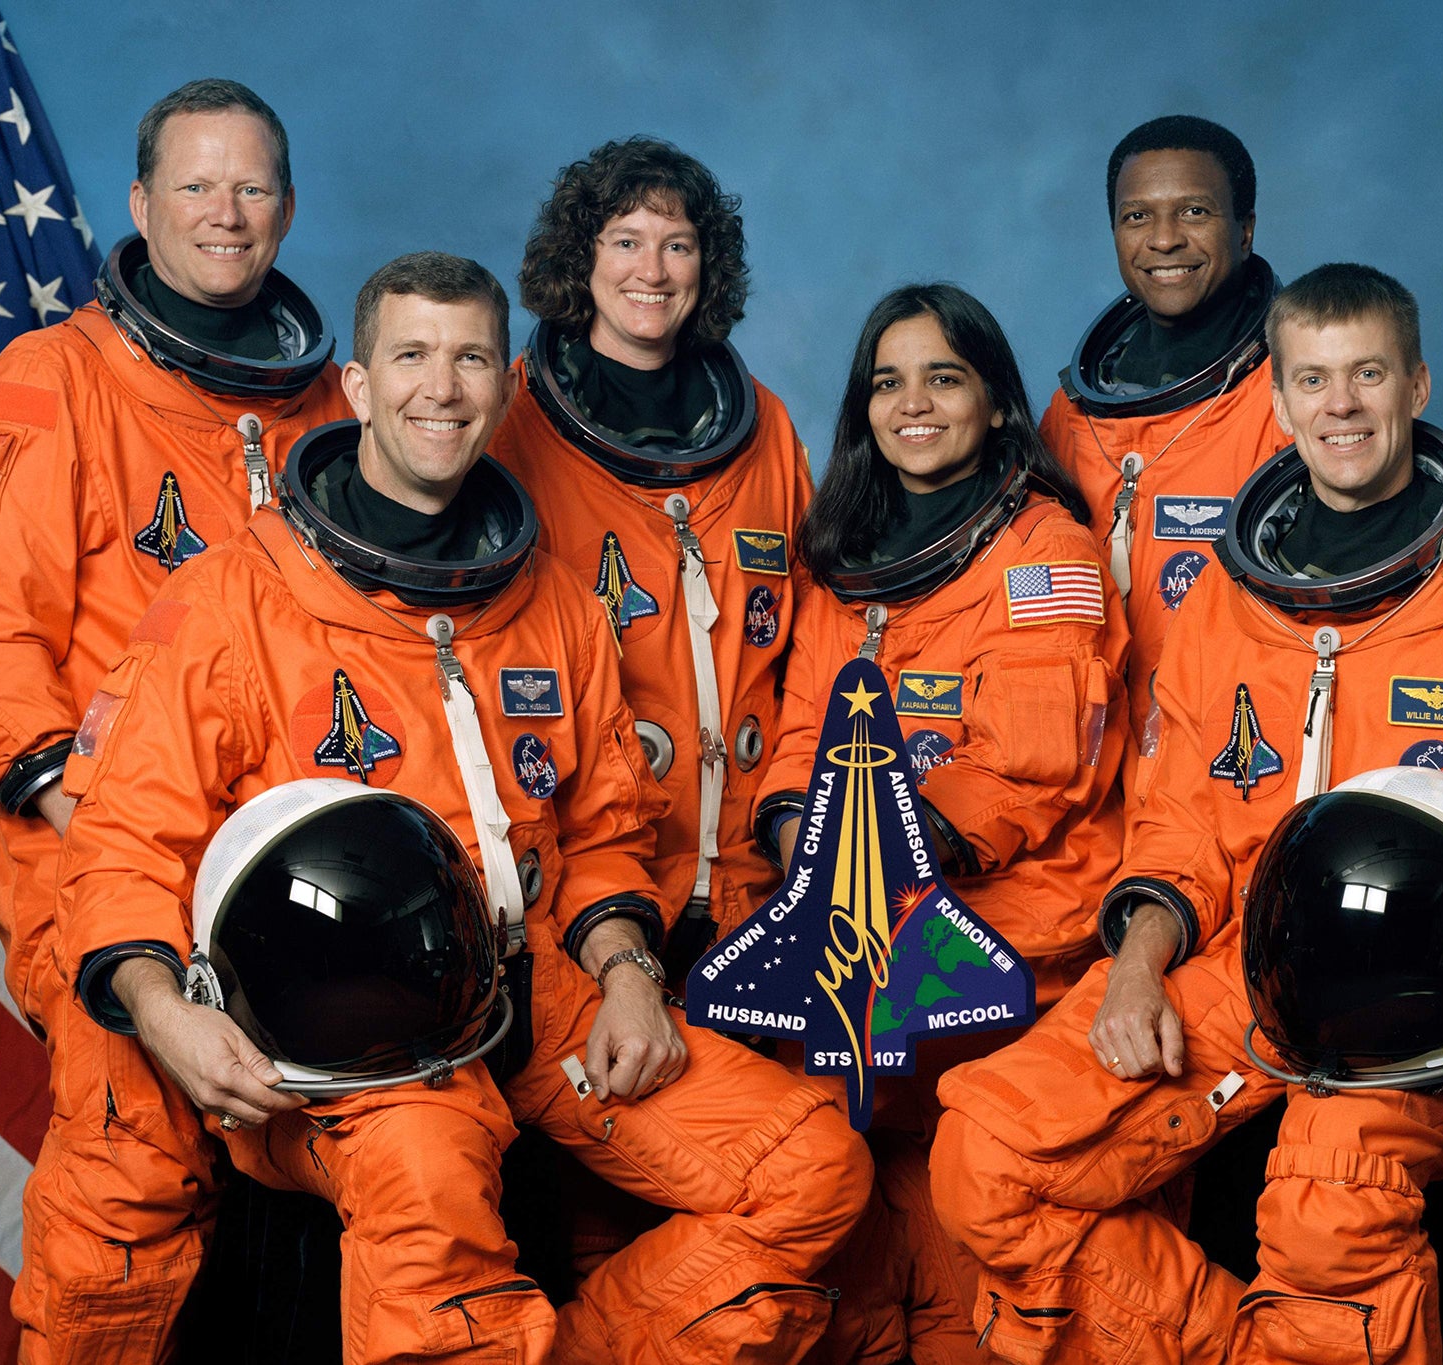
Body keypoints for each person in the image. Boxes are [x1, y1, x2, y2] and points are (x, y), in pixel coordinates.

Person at [53, 253, 872, 1363]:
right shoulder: (230, 602)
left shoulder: (558, 608)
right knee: (433, 1216)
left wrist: (628, 973)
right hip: (350, 1038)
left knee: (810, 1168)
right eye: (412, 357)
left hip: (540, 988)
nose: (441, 387)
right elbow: (118, 845)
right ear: (354, 387)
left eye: (470, 358)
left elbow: (602, 834)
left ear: (504, 386)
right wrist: (163, 1010)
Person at [931, 263, 1443, 1365]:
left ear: (1415, 385)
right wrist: (1137, 965)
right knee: (984, 1156)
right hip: (1247, 968)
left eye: (1365, 374)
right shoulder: (1227, 599)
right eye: (1314, 380)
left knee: (1330, 1190)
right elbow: (1177, 821)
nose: (1340, 406)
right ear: (1276, 404)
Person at [0, 78, 350, 1358]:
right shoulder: (52, 381)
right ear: (140, 203)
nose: (227, 212)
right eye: (198, 184)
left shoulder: (327, 411)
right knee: (135, 1178)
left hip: (290, 864)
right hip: (113, 861)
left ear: (286, 207)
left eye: (253, 185)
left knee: (358, 1192)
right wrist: (120, 844)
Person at [751, 282, 1128, 1361]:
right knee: (842, 1224)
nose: (911, 403)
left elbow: (1028, 769)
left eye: (943, 377)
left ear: (998, 404)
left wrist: (876, 875)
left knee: (975, 1248)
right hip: (856, 936)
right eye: (887, 380)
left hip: (1012, 942)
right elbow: (795, 739)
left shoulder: (1045, 555)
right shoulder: (847, 552)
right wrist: (808, 866)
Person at [494, 137, 813, 975]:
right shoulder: (509, 430)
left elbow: (815, 642)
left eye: (679, 244)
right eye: (626, 241)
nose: (655, 270)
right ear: (580, 257)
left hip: (760, 875)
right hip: (597, 893)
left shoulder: (766, 431)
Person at [1039, 115, 1293, 713]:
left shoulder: (1294, 397)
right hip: (1089, 753)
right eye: (1137, 216)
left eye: (1194, 212)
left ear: (1246, 230)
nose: (1163, 239)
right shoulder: (1072, 412)